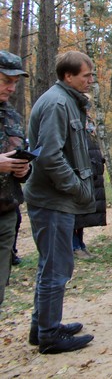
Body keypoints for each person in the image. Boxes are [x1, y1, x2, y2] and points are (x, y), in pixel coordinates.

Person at [25, 51, 95, 353]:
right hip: (53, 199)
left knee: (50, 265)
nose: (90, 80)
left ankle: (41, 326)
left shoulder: (66, 100)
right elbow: (49, 157)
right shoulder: (57, 103)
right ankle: (50, 336)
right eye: (85, 76)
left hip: (55, 198)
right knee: (56, 268)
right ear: (68, 76)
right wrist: (77, 188)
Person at [0, 51, 30, 307]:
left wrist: (23, 170)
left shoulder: (11, 115)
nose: (11, 87)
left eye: (15, 82)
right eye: (5, 80)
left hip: (7, 211)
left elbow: (20, 151)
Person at [72, 116, 108, 258]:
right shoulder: (72, 119)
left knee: (84, 214)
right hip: (79, 175)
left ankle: (80, 243)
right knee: (75, 214)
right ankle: (74, 245)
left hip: (93, 174)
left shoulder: (89, 122)